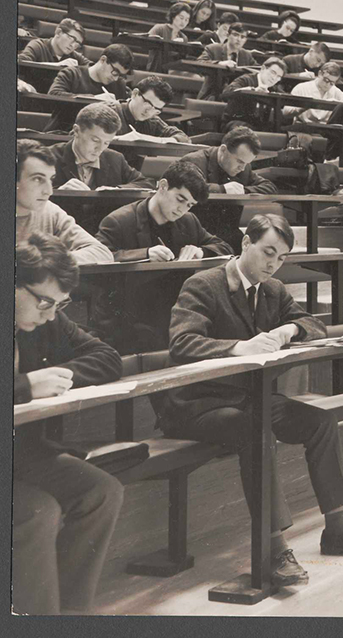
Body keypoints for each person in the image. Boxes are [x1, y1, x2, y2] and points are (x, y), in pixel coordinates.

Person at [161, 214, 343, 587]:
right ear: (245, 242)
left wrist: (290, 328)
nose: (272, 263)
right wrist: (237, 347)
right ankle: (272, 550)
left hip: (249, 398)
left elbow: (315, 325)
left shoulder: (273, 290)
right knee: (256, 430)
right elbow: (182, 343)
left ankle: (338, 529)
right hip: (198, 404)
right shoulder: (203, 284)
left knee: (320, 422)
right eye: (268, 252)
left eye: (281, 258)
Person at [13, 233, 124, 615]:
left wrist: (62, 374)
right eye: (44, 301)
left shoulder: (47, 318)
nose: (50, 313)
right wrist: (26, 386)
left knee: (100, 491)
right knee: (36, 511)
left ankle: (71, 614)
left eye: (59, 304)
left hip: (22, 454)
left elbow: (108, 357)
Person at [96, 160, 233, 353]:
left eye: (190, 205)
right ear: (162, 186)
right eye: (180, 199)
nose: (182, 209)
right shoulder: (118, 221)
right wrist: (144, 254)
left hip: (169, 314)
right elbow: (97, 256)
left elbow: (223, 247)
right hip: (126, 317)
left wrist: (200, 251)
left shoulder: (188, 221)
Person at [179, 126, 278, 248]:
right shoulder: (193, 161)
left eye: (247, 163)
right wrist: (222, 190)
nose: (242, 168)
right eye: (240, 162)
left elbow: (269, 187)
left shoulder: (244, 168)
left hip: (228, 235)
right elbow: (185, 187)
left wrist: (243, 190)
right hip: (195, 236)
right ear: (223, 149)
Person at [15, 141, 112, 264]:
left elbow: (101, 252)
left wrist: (44, 261)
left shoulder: (49, 211)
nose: (49, 191)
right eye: (38, 179)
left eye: (51, 179)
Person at [50, 103, 151, 192]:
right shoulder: (49, 157)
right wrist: (58, 192)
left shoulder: (116, 159)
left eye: (106, 142)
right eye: (95, 140)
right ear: (76, 131)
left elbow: (145, 183)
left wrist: (116, 190)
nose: (100, 149)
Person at [45, 43, 134, 132]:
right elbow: (53, 95)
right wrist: (94, 99)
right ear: (103, 60)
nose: (115, 78)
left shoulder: (119, 84)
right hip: (62, 133)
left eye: (120, 75)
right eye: (115, 72)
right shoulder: (72, 73)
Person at [220, 56, 287, 132]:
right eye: (273, 72)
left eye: (279, 77)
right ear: (263, 69)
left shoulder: (274, 88)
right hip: (235, 122)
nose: (274, 78)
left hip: (257, 126)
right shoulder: (246, 79)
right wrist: (253, 90)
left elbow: (286, 99)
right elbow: (226, 92)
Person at [112, 76, 189, 142]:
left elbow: (183, 138)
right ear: (134, 94)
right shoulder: (110, 111)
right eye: (147, 103)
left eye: (156, 109)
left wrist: (156, 140)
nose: (148, 112)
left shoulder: (152, 121)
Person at [197, 21, 256, 99]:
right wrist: (220, 63)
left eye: (242, 37)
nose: (239, 39)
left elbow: (257, 69)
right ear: (228, 35)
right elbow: (199, 62)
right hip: (211, 96)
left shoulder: (246, 55)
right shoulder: (213, 48)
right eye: (236, 35)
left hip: (234, 99)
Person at [283, 60, 343, 125]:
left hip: (325, 130)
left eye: (332, 83)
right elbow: (286, 112)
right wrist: (302, 107)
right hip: (302, 128)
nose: (328, 85)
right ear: (319, 74)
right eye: (326, 80)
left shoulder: (337, 92)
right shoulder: (301, 88)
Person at [145, 1, 193, 73]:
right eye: (181, 18)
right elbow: (146, 42)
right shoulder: (159, 28)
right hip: (156, 67)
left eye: (186, 20)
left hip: (174, 70)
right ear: (173, 16)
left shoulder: (184, 37)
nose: (183, 22)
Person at [18, 18, 88, 66]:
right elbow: (20, 63)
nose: (73, 45)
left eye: (77, 43)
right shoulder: (38, 45)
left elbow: (92, 67)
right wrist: (58, 65)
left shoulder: (74, 56)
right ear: (58, 32)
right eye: (71, 38)